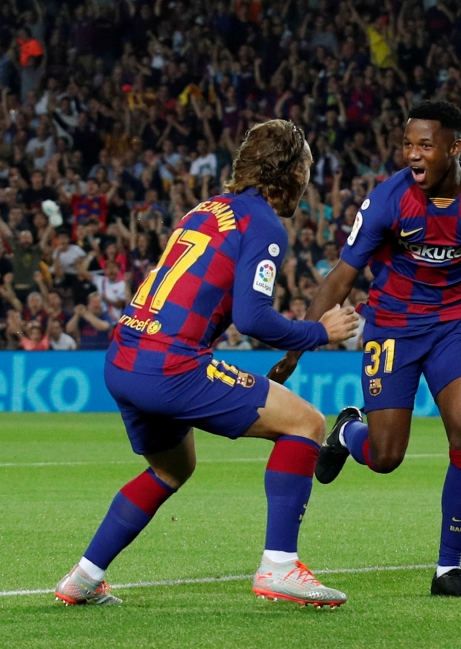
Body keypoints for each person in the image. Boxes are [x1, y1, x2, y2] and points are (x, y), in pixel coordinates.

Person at [268, 102, 461, 598]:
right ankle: (348, 434)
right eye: (408, 144)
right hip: (392, 327)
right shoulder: (388, 200)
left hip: (456, 322)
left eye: (425, 145)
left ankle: (448, 569)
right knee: (386, 457)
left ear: (454, 148)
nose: (413, 154)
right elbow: (341, 276)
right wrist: (299, 345)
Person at [55, 120, 358, 607]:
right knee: (307, 423)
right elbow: (252, 317)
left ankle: (85, 576)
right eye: (306, 166)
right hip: (171, 364)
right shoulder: (262, 222)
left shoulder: (207, 210)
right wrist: (322, 331)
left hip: (125, 356)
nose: (308, 177)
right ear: (289, 171)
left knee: (172, 468)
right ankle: (279, 566)